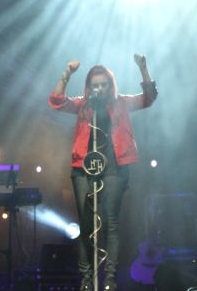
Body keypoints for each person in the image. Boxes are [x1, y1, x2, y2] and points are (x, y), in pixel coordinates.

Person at [48, 54, 157, 291]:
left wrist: (143, 68)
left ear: (110, 85)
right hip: (83, 168)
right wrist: (67, 74)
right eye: (95, 85)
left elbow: (149, 98)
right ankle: (86, 278)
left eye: (103, 84)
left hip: (115, 167)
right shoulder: (82, 105)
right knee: (85, 225)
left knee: (111, 222)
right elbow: (56, 101)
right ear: (89, 87)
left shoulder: (121, 103)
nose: (99, 88)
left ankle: (109, 278)